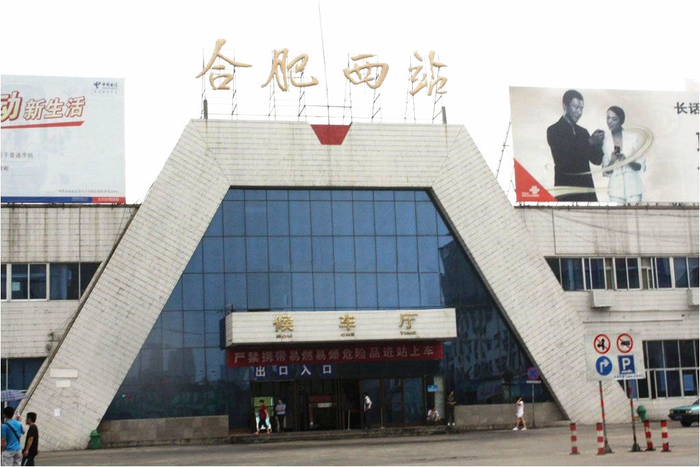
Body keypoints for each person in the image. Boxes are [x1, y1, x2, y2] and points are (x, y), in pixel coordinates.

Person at [546, 89, 605, 201]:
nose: (579, 112)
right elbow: (564, 158)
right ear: (565, 106)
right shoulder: (553, 130)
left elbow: (596, 160)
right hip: (566, 192)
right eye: (576, 107)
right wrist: (590, 142)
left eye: (581, 108)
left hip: (587, 192)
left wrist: (598, 144)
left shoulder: (583, 132)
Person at [601, 106, 645, 203]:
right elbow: (606, 171)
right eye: (608, 118)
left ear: (621, 121)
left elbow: (641, 166)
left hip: (634, 189)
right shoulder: (605, 141)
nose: (610, 121)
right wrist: (612, 161)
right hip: (615, 191)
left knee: (634, 213)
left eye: (614, 119)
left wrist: (626, 160)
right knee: (618, 213)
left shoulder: (633, 138)